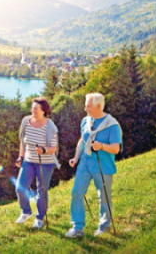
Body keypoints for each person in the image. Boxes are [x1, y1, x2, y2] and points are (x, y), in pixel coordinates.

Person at [65, 93, 122, 238]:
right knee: (77, 192)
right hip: (85, 162)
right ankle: (77, 228)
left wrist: (102, 146)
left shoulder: (112, 125)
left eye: (88, 106)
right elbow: (83, 140)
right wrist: (76, 157)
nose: (85, 108)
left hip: (103, 165)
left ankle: (104, 227)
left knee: (103, 197)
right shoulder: (86, 120)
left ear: (98, 106)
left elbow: (116, 148)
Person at [15, 97, 58, 229]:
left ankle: (39, 218)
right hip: (28, 161)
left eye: (36, 108)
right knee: (20, 187)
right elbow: (23, 142)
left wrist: (43, 150)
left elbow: (54, 148)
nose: (32, 110)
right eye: (32, 108)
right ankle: (26, 211)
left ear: (44, 111)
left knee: (41, 190)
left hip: (45, 163)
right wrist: (20, 157)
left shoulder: (50, 126)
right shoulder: (26, 121)